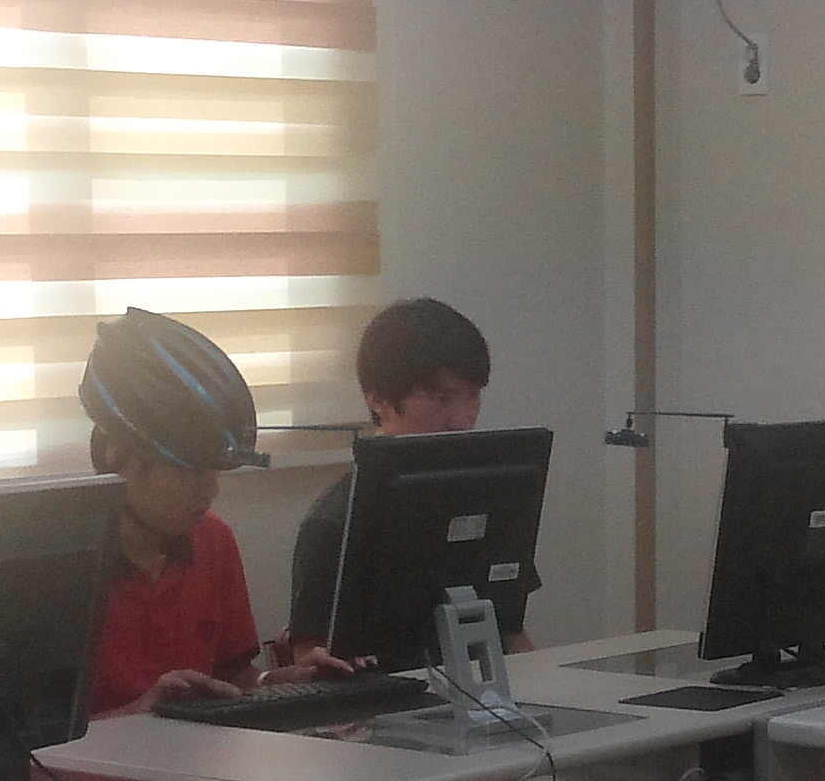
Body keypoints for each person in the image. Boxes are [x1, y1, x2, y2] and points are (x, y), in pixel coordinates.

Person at [76, 305, 362, 715]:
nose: (211, 490)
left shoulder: (213, 539)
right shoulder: (59, 564)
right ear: (119, 456)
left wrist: (282, 682)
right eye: (191, 472)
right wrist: (143, 713)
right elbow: (23, 741)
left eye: (215, 472)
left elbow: (234, 678)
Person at [280, 296, 535, 658]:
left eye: (472, 397)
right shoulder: (335, 521)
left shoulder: (490, 497)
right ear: (378, 399)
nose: (462, 420)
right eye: (441, 399)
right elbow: (311, 660)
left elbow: (510, 629)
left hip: (480, 686)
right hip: (380, 691)